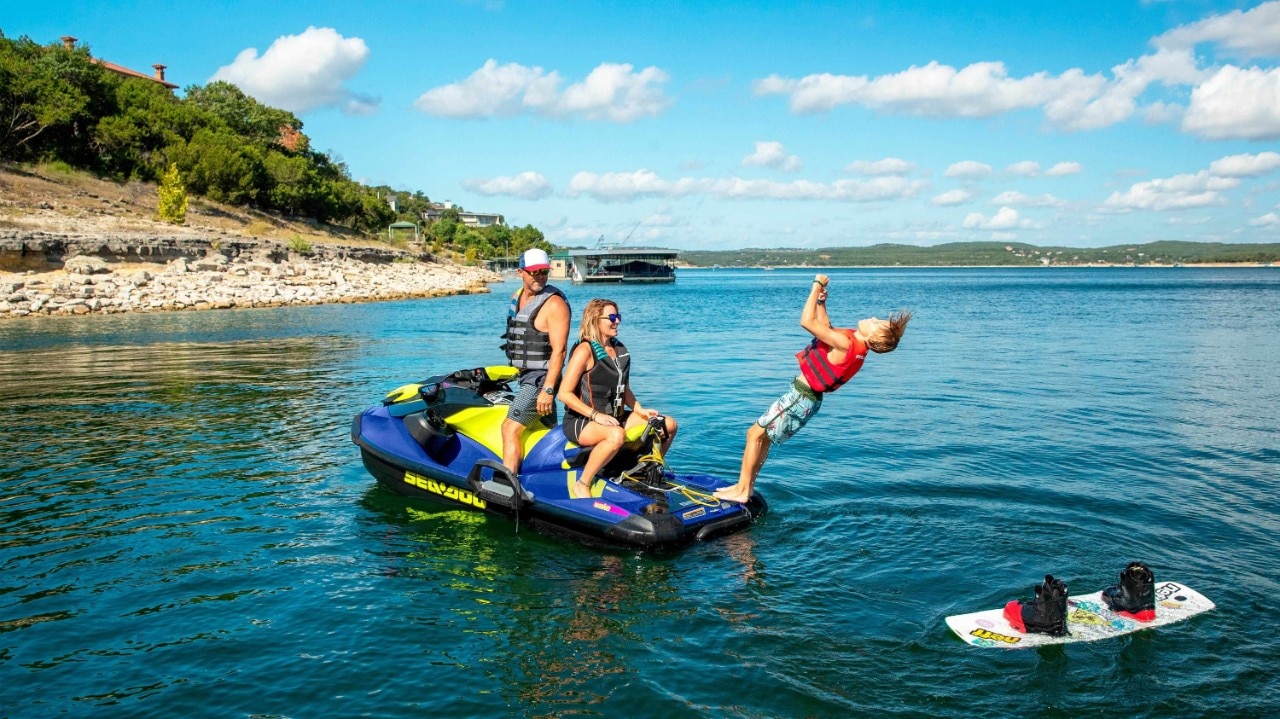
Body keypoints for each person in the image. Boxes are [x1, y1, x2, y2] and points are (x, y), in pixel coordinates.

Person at [714, 274, 911, 504]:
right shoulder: (850, 343)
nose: (872, 318)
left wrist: (815, 286)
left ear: (874, 336)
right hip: (805, 398)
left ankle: (743, 490)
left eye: (876, 323)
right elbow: (825, 328)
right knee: (763, 438)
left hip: (800, 397)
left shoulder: (848, 344)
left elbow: (807, 323)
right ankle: (744, 486)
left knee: (753, 434)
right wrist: (821, 302)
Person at [558, 299, 678, 499]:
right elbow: (564, 394)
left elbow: (623, 388)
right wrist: (596, 416)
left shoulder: (618, 349)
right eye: (612, 318)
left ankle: (646, 472)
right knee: (616, 435)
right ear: (595, 319)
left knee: (668, 425)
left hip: (615, 417)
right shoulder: (585, 351)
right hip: (582, 421)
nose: (617, 322)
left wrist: (638, 408)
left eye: (618, 317)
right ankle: (583, 483)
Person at [499, 248, 571, 476]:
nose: (540, 276)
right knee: (546, 432)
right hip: (525, 377)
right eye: (534, 272)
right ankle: (547, 477)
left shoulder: (554, 304)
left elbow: (559, 352)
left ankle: (507, 487)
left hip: (542, 379)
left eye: (544, 272)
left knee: (510, 428)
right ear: (520, 272)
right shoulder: (515, 297)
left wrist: (548, 390)